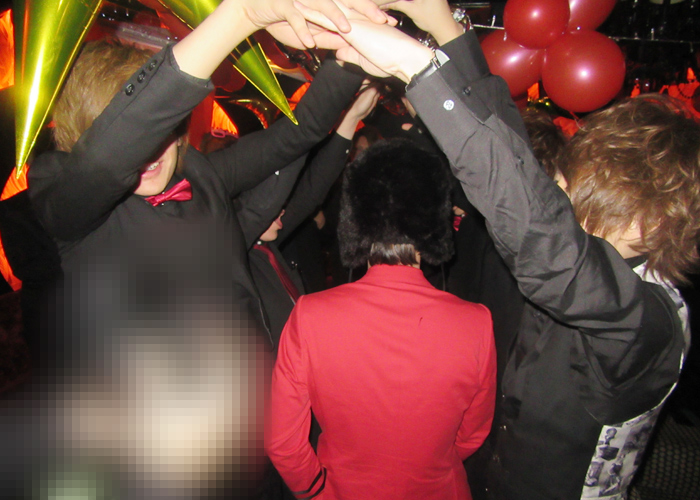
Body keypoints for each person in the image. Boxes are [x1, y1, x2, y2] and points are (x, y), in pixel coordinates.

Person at [303, 1, 700, 498]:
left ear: (653, 220)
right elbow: (511, 144)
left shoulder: (649, 320)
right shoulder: (592, 254)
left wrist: (418, 70)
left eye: (583, 184)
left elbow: (547, 243)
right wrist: (443, 28)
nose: (562, 187)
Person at [26, 0, 393, 346]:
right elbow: (107, 159)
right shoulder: (61, 192)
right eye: (146, 134)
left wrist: (347, 60)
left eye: (164, 131)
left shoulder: (198, 173)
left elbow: (295, 135)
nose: (151, 152)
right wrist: (241, 14)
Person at [265, 138, 497, 500]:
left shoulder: (310, 316)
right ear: (433, 219)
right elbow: (471, 435)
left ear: (356, 219)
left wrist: (317, 490)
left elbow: (283, 443)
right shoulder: (476, 323)